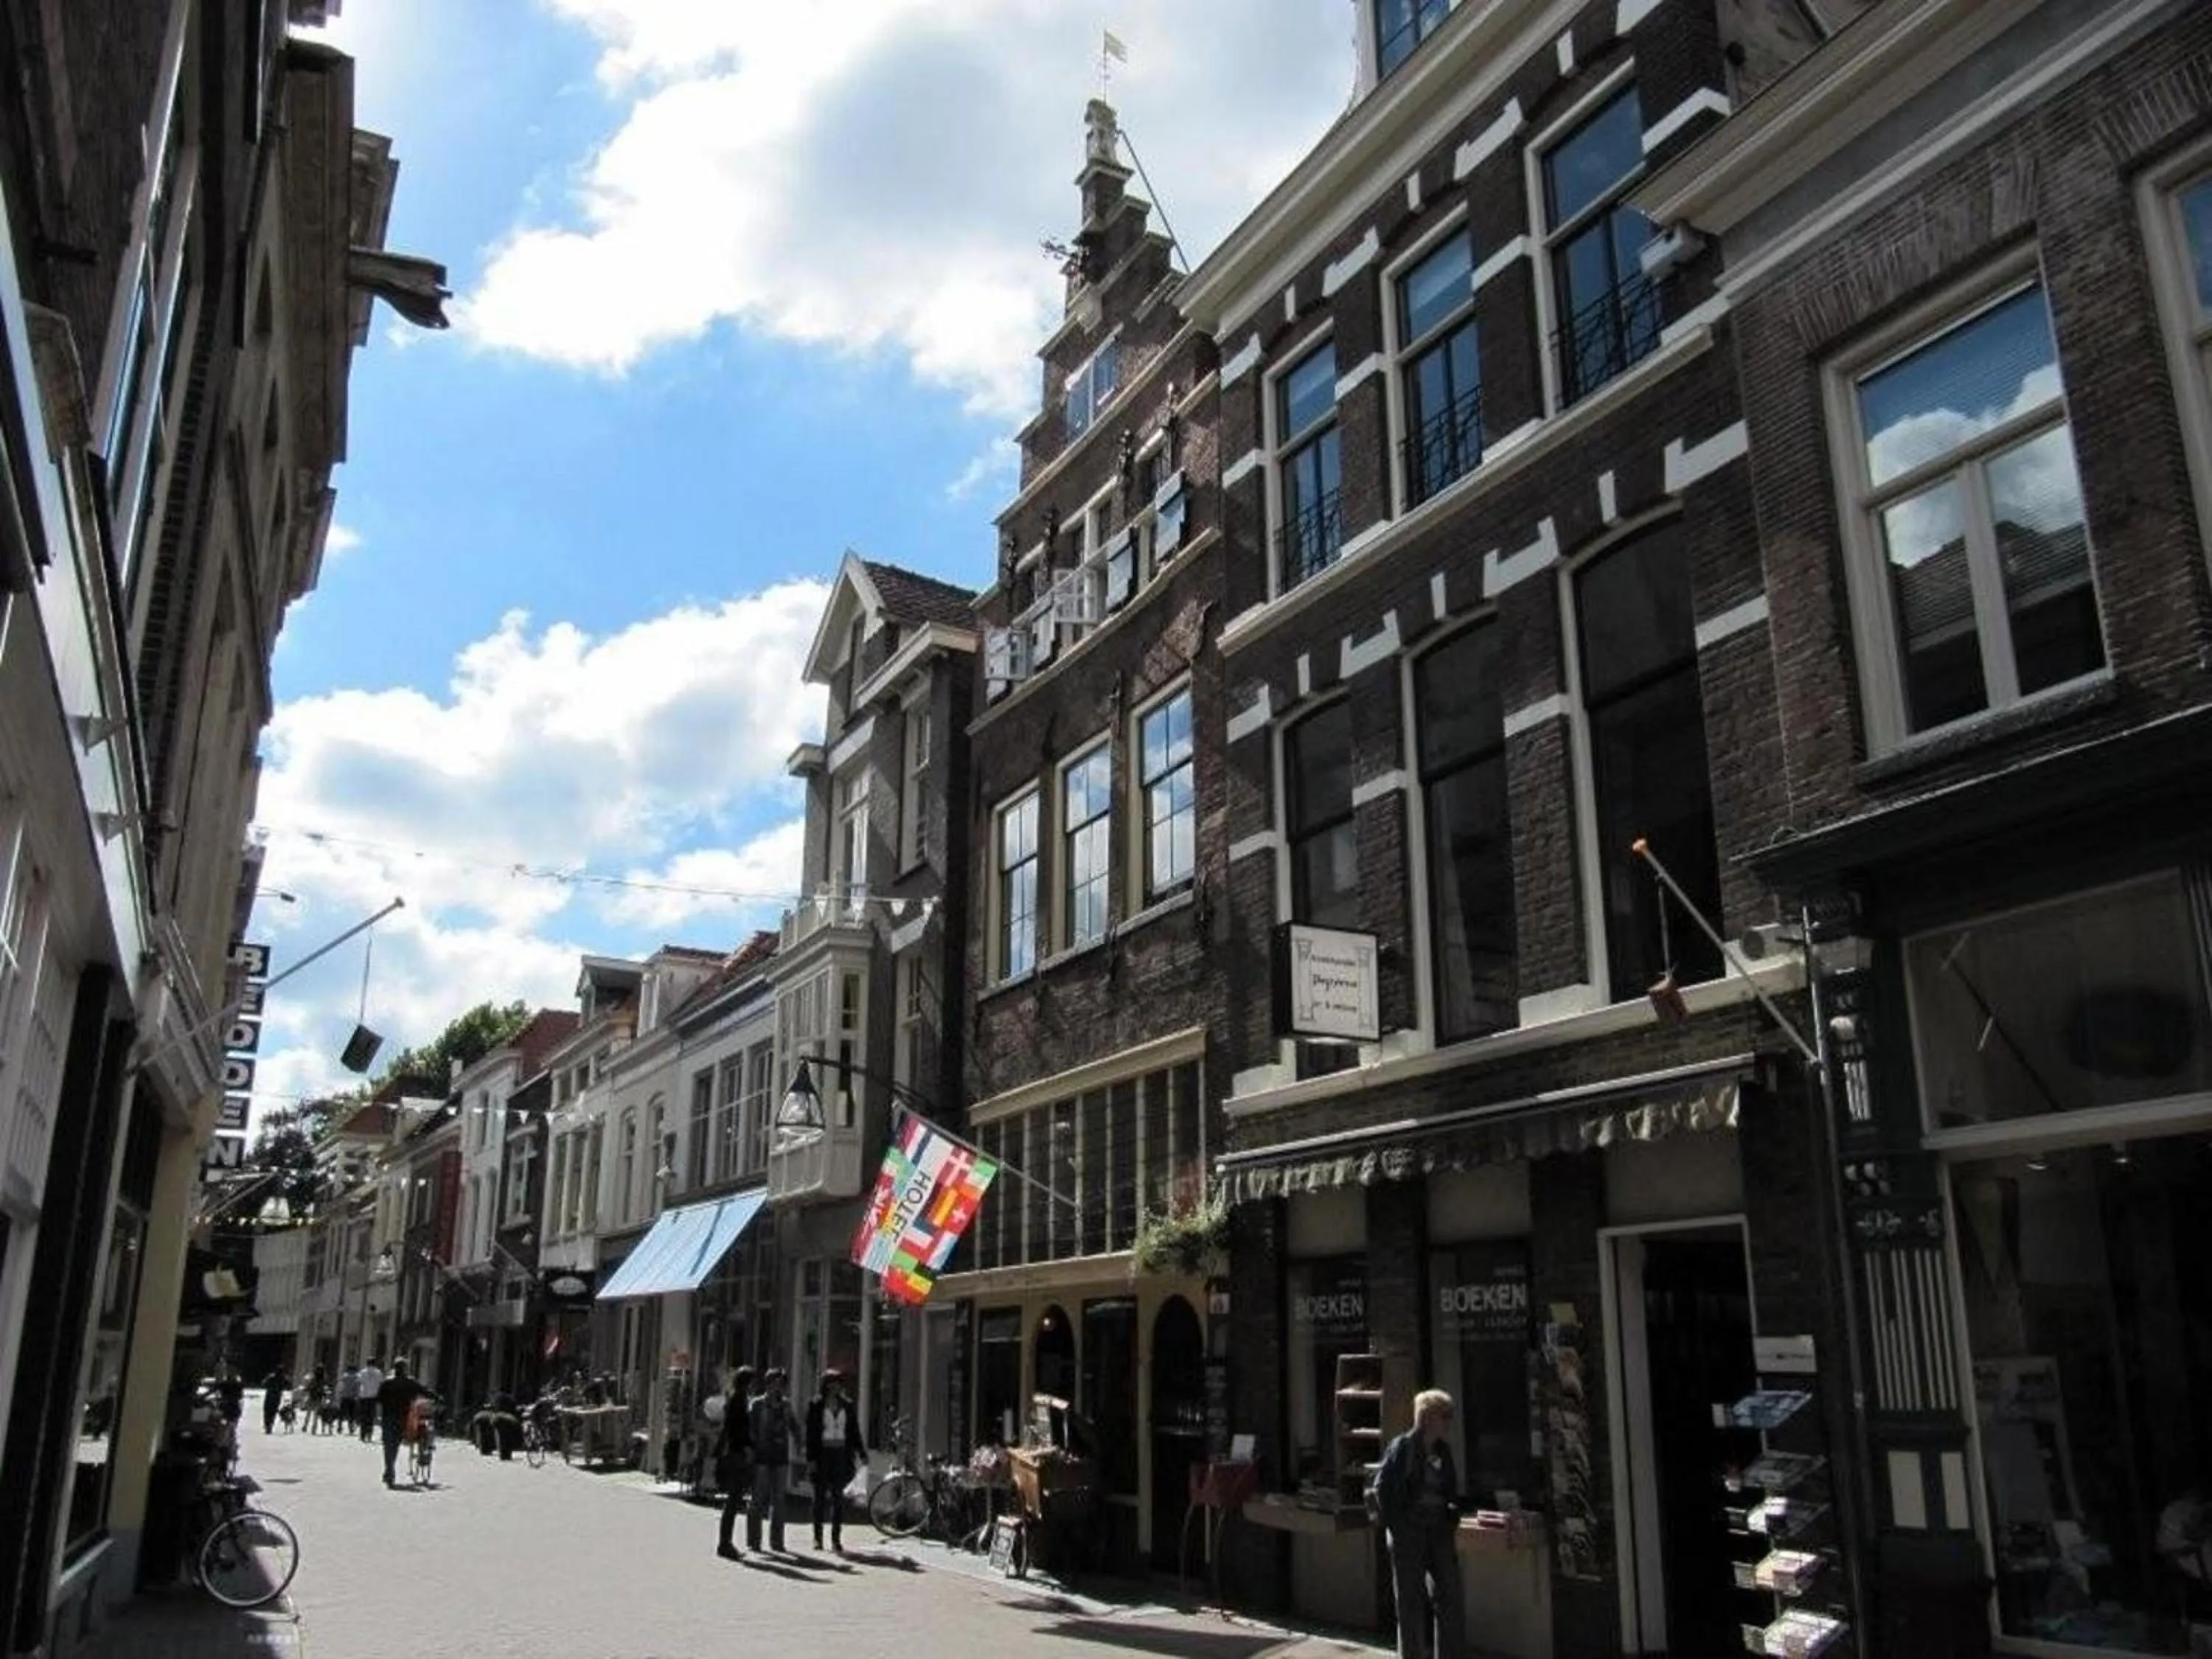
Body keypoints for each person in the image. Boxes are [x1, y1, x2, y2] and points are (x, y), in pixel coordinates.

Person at [1371, 1389, 1466, 1659]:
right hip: (1409, 1532)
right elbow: (1383, 1489)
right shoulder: (1402, 1447)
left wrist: (1452, 1514)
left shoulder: (1443, 1452)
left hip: (1439, 1531)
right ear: (1427, 1417)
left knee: (1450, 1596)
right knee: (1410, 1603)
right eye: (1445, 1416)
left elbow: (1451, 1490)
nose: (1450, 1422)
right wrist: (1400, 1525)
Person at [804, 1369, 868, 1553]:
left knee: (838, 1498)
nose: (834, 1387)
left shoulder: (847, 1405)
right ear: (825, 1385)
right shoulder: (816, 1404)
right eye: (831, 1383)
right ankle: (817, 1538)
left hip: (841, 1454)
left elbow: (854, 1431)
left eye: (838, 1383)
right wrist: (811, 1459)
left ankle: (836, 1538)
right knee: (819, 1498)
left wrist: (861, 1452)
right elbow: (811, 1434)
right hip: (822, 1453)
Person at [746, 1369, 802, 1554]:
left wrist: (800, 1444)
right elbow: (751, 1430)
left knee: (779, 1501)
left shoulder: (786, 1406)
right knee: (758, 1499)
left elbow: (794, 1427)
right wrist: (751, 1451)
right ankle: (754, 1540)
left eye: (781, 1384)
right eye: (775, 1383)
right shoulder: (757, 1405)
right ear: (768, 1384)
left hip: (780, 1457)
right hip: (762, 1457)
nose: (778, 1388)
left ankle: (777, 1541)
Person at [714, 1366, 757, 1561]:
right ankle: (725, 1543)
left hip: (734, 1451)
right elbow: (738, 1429)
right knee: (734, 1498)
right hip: (738, 1453)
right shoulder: (739, 1401)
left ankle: (725, 1541)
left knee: (734, 1499)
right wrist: (747, 1447)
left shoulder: (735, 1399)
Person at [374, 1360, 434, 1487]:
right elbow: (425, 1392)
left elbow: (378, 1400)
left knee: (388, 1446)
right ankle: (390, 1469)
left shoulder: (386, 1383)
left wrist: (379, 1414)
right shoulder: (410, 1383)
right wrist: (437, 1397)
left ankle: (389, 1469)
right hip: (403, 1418)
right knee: (395, 1444)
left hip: (388, 1417)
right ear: (405, 1369)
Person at [354, 1357, 384, 1443]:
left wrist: (357, 1394)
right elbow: (381, 1384)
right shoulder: (379, 1372)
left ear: (367, 1363)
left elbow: (358, 1382)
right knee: (371, 1417)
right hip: (374, 1397)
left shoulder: (363, 1372)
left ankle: (362, 1435)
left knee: (364, 1416)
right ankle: (369, 1435)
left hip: (363, 1396)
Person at [261, 1366, 288, 1435]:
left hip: (269, 1396)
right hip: (277, 1397)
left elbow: (264, 1384)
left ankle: (267, 1425)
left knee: (267, 1411)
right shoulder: (283, 1378)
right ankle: (270, 1425)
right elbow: (287, 1385)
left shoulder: (271, 1377)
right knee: (273, 1412)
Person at [336, 1364, 359, 1435]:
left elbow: (340, 1386)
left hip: (344, 1397)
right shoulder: (356, 1377)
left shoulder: (344, 1377)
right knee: (352, 1414)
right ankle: (351, 1428)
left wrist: (339, 1395)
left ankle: (339, 1427)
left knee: (342, 1414)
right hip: (352, 1397)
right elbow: (357, 1388)